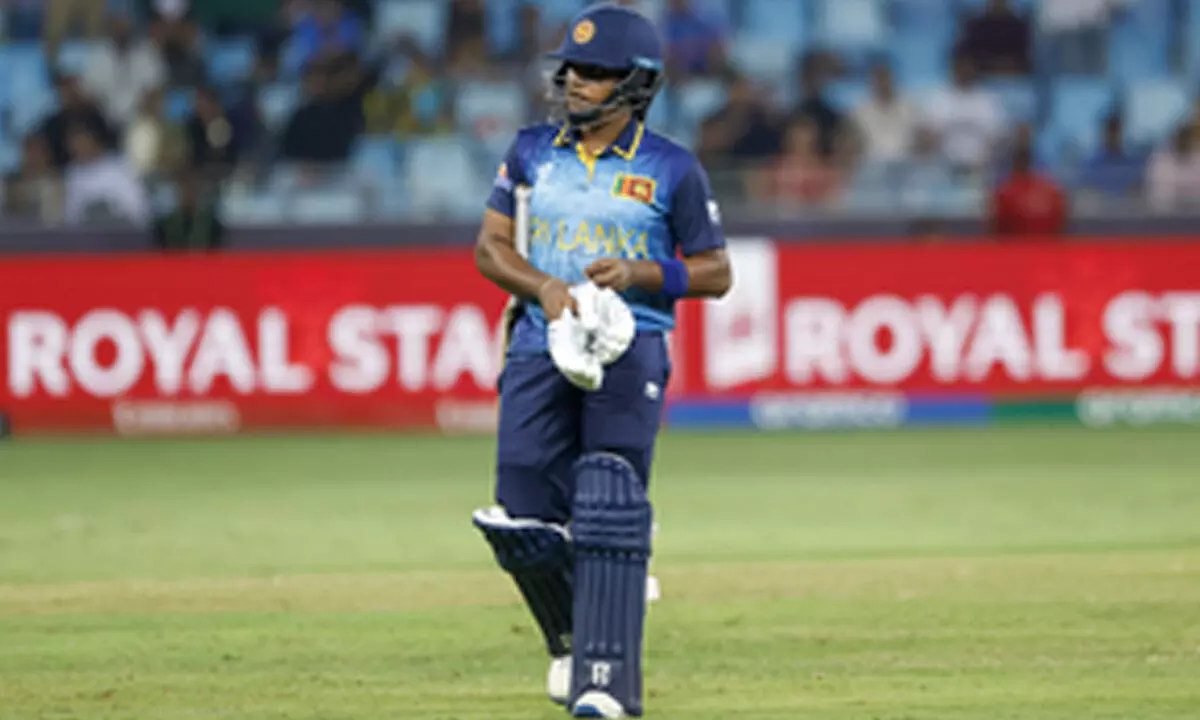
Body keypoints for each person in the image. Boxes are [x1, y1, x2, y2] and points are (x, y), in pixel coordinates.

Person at [469, 5, 732, 718]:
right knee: (520, 517)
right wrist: (545, 289)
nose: (574, 81)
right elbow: (491, 248)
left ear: (635, 83)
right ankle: (575, 634)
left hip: (630, 345)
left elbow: (715, 272)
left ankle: (605, 681)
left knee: (607, 504)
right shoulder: (531, 150)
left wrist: (641, 274)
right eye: (571, 68)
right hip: (538, 343)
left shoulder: (671, 166)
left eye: (594, 71)